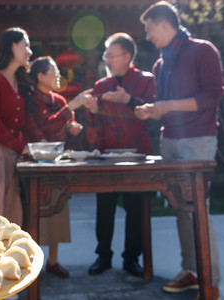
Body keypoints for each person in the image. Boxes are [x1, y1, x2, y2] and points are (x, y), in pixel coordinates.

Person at [136, 2, 224, 299]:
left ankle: (210, 281)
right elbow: (165, 105)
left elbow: (213, 95)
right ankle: (191, 271)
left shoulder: (203, 49)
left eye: (148, 29)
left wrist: (170, 106)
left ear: (164, 24)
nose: (147, 36)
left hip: (198, 140)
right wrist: (152, 112)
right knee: (180, 209)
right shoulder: (161, 62)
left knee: (198, 210)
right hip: (169, 139)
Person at [83, 33, 156, 277]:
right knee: (105, 208)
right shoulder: (102, 85)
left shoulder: (147, 80)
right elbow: (92, 120)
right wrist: (92, 110)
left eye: (111, 55)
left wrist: (128, 100)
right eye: (106, 56)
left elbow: (155, 112)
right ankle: (103, 256)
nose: (107, 60)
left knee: (136, 208)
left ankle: (132, 258)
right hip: (106, 155)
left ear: (126, 56)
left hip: (137, 155)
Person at [25, 56, 93, 278]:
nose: (57, 74)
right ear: (40, 76)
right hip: (34, 163)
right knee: (32, 212)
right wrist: (71, 108)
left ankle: (53, 260)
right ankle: (29, 260)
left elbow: (65, 126)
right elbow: (43, 127)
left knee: (58, 210)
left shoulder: (60, 100)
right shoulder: (29, 99)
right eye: (53, 70)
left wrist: (72, 128)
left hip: (57, 162)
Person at [0, 27, 44, 226]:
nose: (29, 51)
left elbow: (25, 120)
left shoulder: (18, 81)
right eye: (26, 45)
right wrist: (23, 147)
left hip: (9, 153)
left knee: (10, 216)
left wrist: (41, 142)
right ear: (12, 46)